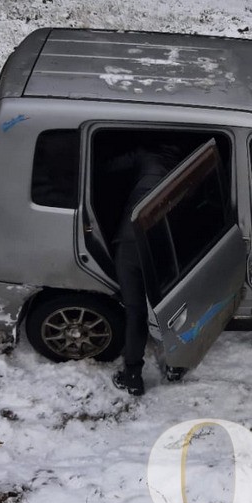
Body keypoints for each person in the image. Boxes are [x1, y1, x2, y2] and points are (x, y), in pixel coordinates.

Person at [109, 143, 181, 396]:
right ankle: (176, 364)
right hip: (163, 245)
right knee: (172, 308)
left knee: (136, 312)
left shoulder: (147, 153)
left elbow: (110, 168)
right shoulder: (190, 165)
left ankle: (132, 375)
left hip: (130, 243)